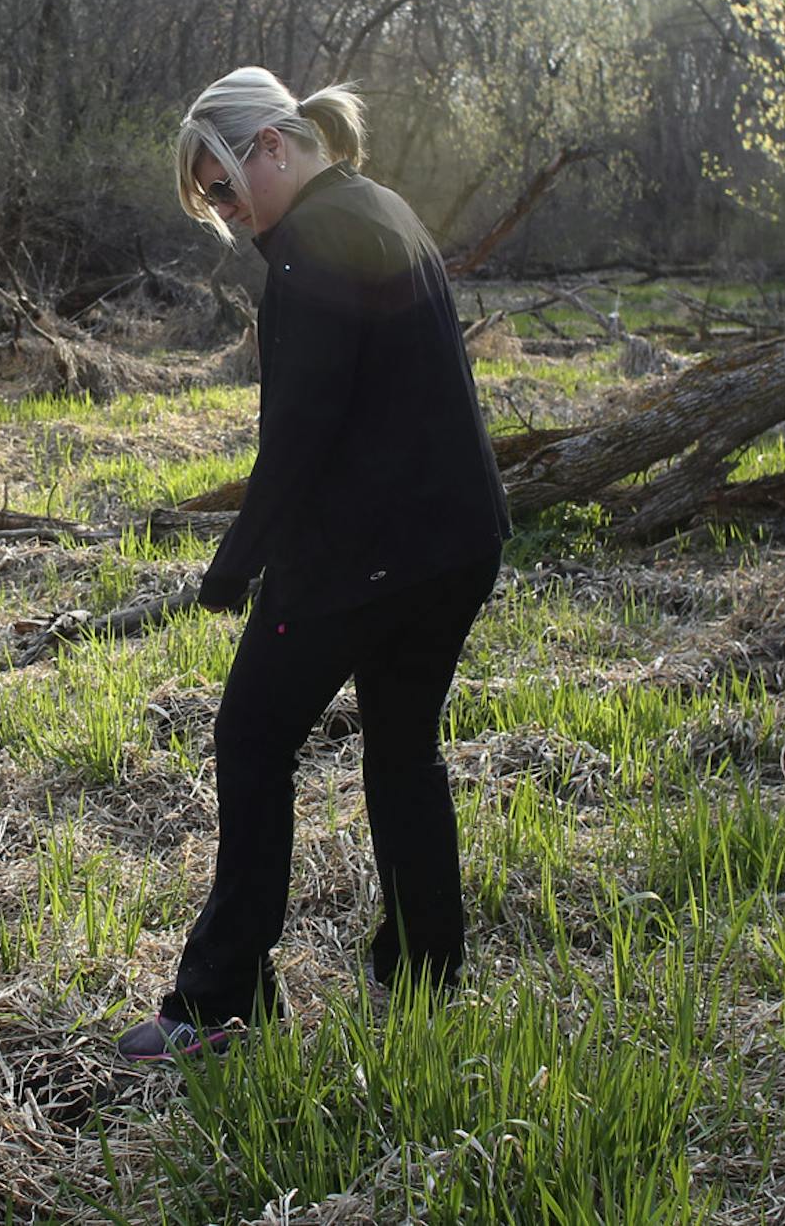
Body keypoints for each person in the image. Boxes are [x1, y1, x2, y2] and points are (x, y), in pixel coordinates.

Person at [116, 67, 512, 1063]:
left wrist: (235, 564)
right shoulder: (380, 207)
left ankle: (218, 999)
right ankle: (425, 976)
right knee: (402, 749)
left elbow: (302, 429)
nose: (224, 209)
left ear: (274, 147)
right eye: (210, 197)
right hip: (456, 543)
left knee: (251, 738)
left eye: (222, 184)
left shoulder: (310, 245)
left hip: (373, 553)